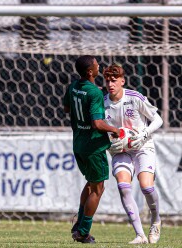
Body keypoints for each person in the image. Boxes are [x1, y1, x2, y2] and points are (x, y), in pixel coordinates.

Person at [63, 55, 121, 244]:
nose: (99, 67)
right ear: (90, 72)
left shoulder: (72, 87)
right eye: (97, 65)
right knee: (97, 188)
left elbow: (66, 108)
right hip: (93, 146)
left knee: (90, 184)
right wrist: (114, 130)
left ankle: (78, 224)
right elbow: (97, 124)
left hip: (78, 143)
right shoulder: (94, 92)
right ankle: (83, 232)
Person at [103, 63, 163, 244]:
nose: (110, 84)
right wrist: (108, 145)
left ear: (122, 81)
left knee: (146, 186)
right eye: (107, 81)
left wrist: (144, 134)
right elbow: (101, 130)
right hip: (120, 150)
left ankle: (156, 219)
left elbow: (157, 119)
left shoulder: (134, 97)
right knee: (123, 187)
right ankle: (140, 235)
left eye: (114, 80)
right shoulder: (103, 102)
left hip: (143, 146)